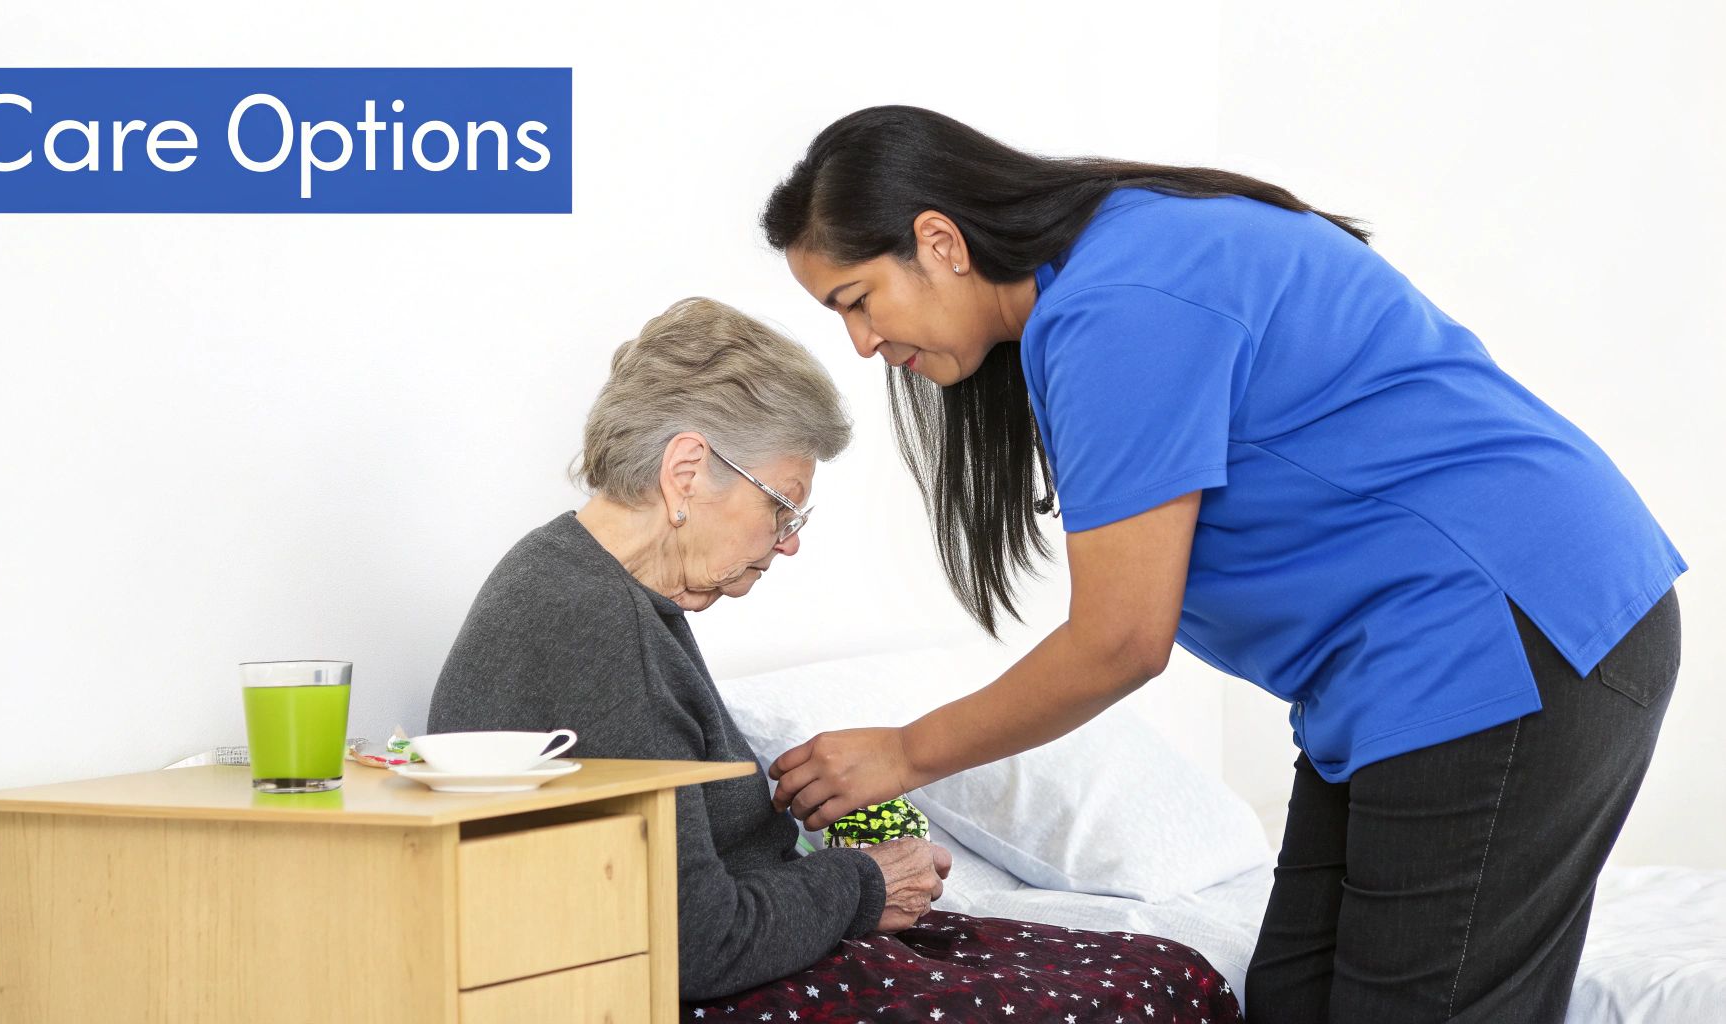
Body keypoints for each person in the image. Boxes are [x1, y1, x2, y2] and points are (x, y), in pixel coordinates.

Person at [759, 105, 1684, 1023]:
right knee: (1292, 1000)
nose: (862, 346)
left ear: (940, 241)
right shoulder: (1123, 256)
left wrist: (905, 753)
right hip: (1417, 656)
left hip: (1508, 629)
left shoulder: (1118, 306)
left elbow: (1121, 640)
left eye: (857, 301)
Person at [424, 297, 1243, 1022]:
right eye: (782, 505)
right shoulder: (590, 624)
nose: (786, 544)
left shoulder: (578, 581)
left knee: (1151, 967)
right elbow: (695, 941)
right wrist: (866, 883)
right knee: (1148, 988)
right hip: (706, 987)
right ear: (685, 473)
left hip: (737, 961)